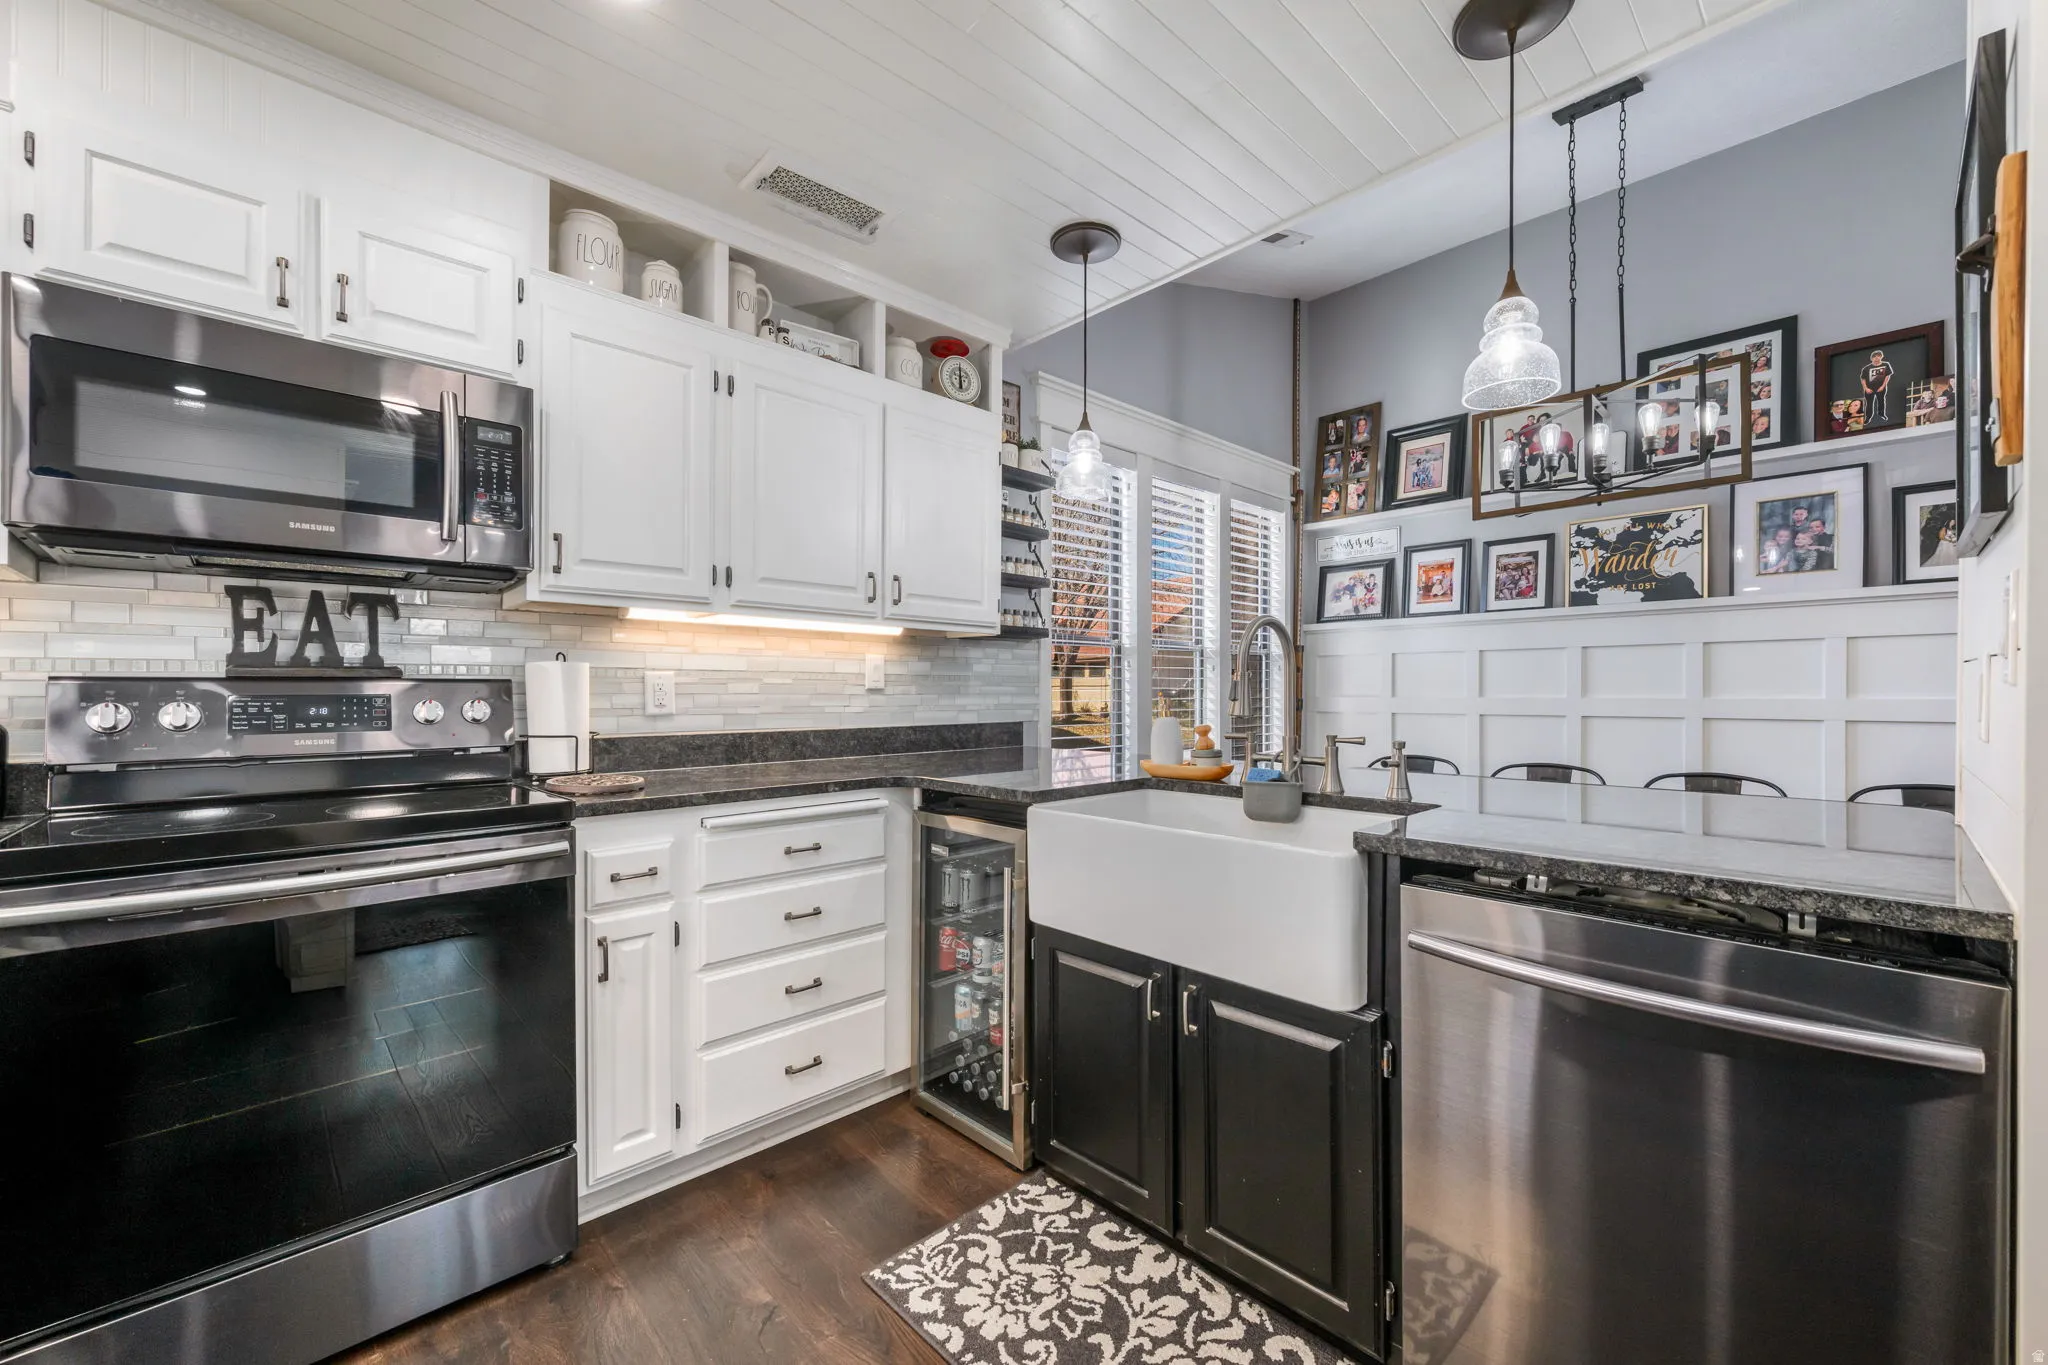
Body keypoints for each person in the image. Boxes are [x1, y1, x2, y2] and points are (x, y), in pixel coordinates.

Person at [1860, 348, 1895, 423]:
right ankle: (1868, 417)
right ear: (1871, 358)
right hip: (1869, 388)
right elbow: (1863, 379)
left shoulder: (1886, 364)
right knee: (1869, 403)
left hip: (1881, 387)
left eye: (1878, 356)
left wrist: (1883, 386)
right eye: (1874, 356)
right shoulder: (1866, 368)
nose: (1876, 358)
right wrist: (1866, 388)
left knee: (1881, 401)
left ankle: (1881, 414)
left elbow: (1887, 376)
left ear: (1881, 356)